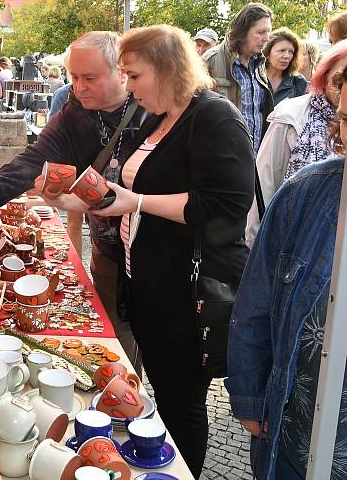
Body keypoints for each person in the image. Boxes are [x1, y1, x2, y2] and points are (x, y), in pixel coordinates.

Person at [89, 25, 254, 478]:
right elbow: (137, 186)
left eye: (134, 74)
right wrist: (97, 197)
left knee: (182, 405)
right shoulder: (157, 115)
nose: (129, 85)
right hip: (149, 288)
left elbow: (224, 205)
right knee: (163, 389)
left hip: (187, 297)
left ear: (167, 68)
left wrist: (136, 202)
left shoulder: (214, 117)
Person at [0, 31, 146, 375]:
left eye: (89, 78)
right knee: (118, 345)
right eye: (73, 77)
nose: (78, 87)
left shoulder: (151, 106)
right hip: (109, 249)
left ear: (122, 71)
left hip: (155, 254)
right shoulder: (76, 108)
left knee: (159, 353)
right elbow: (35, 157)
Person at [226, 69, 346, 480]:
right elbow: (256, 301)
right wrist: (250, 397)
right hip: (294, 444)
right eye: (346, 120)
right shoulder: (306, 193)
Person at [246, 39, 347, 245]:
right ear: (325, 74)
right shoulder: (291, 116)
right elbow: (265, 186)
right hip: (291, 246)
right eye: (340, 76)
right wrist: (255, 247)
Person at [203, 3, 274, 153]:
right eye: (261, 32)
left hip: (254, 157)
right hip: (221, 154)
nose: (266, 38)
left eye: (268, 32)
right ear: (242, 32)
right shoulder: (212, 59)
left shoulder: (259, 63)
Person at [263, 28, 308, 105]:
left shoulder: (298, 82)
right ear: (267, 53)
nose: (287, 56)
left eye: (291, 52)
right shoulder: (255, 78)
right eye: (282, 50)